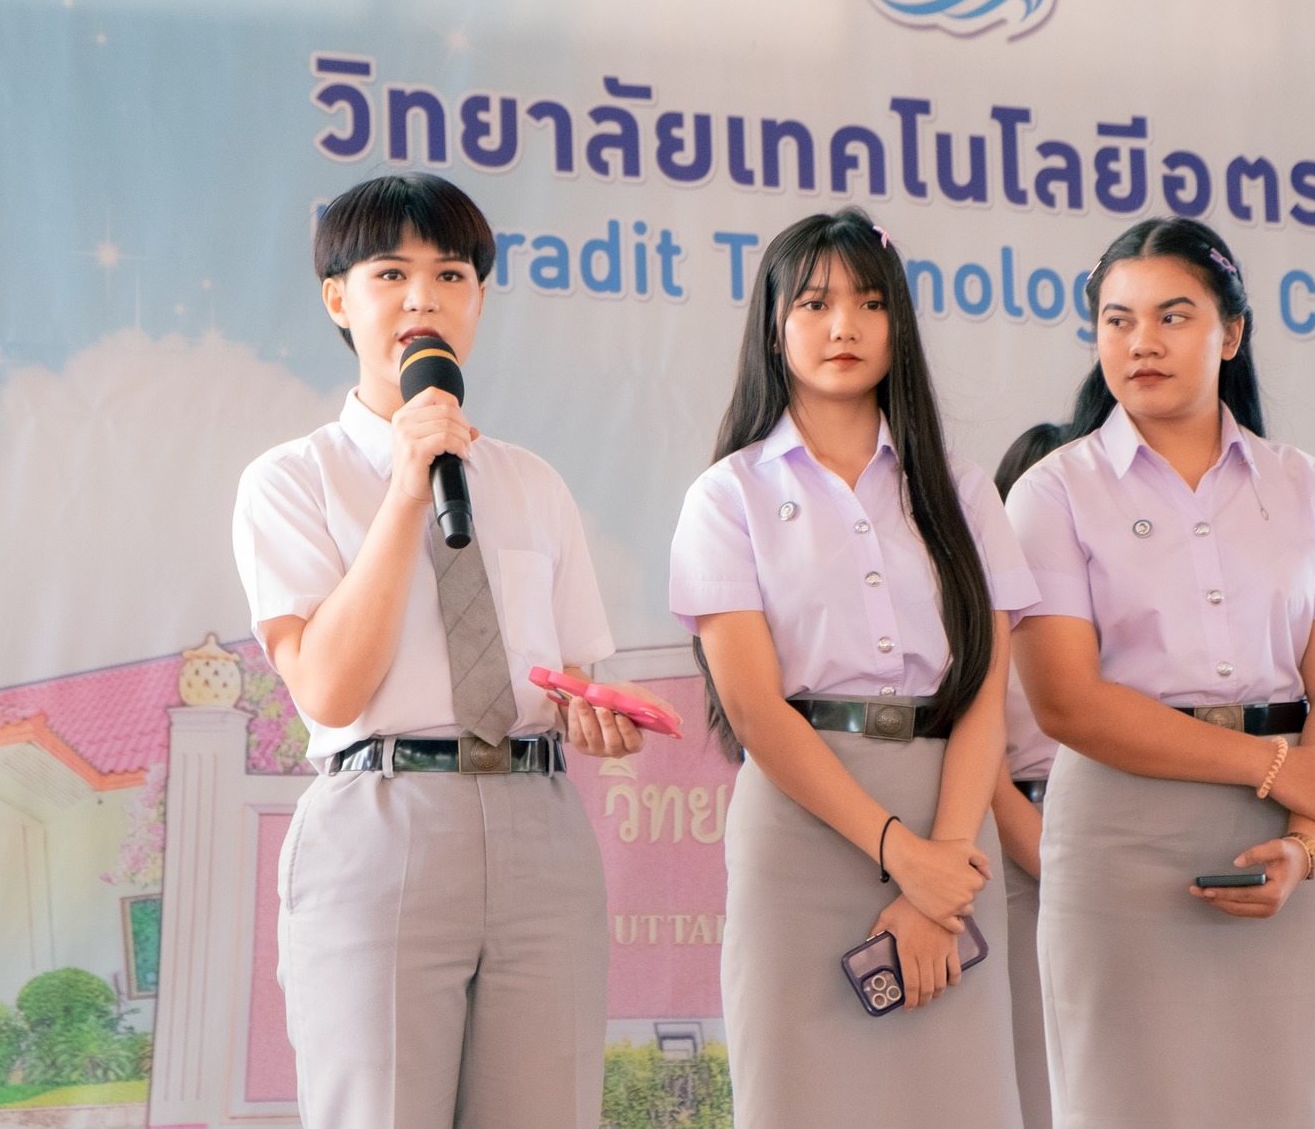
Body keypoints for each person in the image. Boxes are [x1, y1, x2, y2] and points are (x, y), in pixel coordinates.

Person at [231, 173, 663, 1129]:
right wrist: (404, 486)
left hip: (540, 829)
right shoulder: (290, 480)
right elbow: (332, 687)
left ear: (478, 299)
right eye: (392, 271)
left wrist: (598, 717)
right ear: (339, 297)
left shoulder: (534, 482)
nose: (424, 296)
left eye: (451, 273)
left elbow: (577, 676)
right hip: (379, 822)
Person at [1006, 218, 1315, 1129]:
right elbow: (1067, 700)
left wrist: (1303, 836)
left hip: (1296, 837)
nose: (1142, 342)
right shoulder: (1053, 490)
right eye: (1117, 319)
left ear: (1234, 332)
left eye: (1173, 316)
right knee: (1126, 1104)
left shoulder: (1306, 486)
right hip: (1120, 832)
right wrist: (1268, 769)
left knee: (1285, 1105)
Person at [668, 211, 1037, 1129]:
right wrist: (898, 855)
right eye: (817, 302)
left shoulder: (961, 486)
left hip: (949, 819)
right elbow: (756, 711)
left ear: (899, 325)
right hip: (802, 829)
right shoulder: (729, 494)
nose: (844, 325)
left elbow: (987, 691)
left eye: (871, 303)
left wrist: (943, 859)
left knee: (956, 1101)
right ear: (773, 325)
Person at [989, 421, 1068, 1129]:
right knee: (1033, 1074)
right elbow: (980, 757)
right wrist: (1049, 856)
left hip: (1117, 839)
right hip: (1020, 849)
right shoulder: (984, 620)